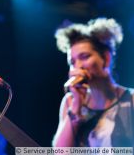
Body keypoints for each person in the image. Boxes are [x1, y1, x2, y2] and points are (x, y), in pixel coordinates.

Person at [52, 18, 134, 147]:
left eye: (84, 57)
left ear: (106, 58)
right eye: (72, 63)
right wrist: (76, 105)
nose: (77, 67)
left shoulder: (131, 98)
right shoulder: (70, 102)